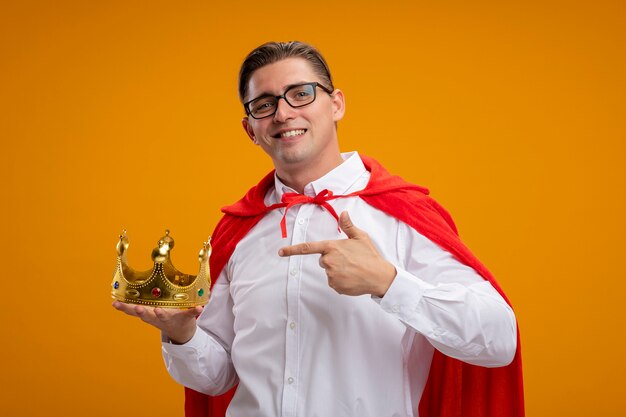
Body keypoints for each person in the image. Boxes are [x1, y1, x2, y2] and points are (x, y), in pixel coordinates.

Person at [113, 41, 524, 417]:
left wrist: (389, 283)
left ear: (336, 104)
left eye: (301, 93)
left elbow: (499, 339)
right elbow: (218, 378)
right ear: (250, 129)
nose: (284, 113)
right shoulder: (238, 230)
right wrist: (183, 335)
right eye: (264, 104)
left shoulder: (403, 214)